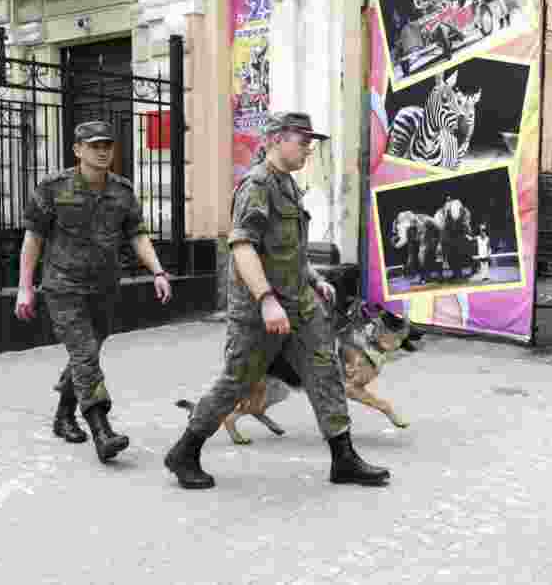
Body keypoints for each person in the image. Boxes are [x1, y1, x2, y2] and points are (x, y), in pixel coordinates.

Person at [164, 112, 390, 490]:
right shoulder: (257, 185)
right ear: (275, 140)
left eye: (309, 142)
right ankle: (185, 450)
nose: (308, 147)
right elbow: (242, 246)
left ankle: (344, 457)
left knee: (325, 370)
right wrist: (266, 299)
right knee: (239, 381)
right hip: (259, 310)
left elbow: (290, 251)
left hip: (299, 304)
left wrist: (315, 279)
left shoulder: (287, 184)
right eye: (302, 139)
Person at [15, 120, 173, 463]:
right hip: (63, 287)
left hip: (104, 288)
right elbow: (33, 239)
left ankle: (63, 415)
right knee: (85, 354)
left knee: (86, 355)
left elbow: (137, 234)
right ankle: (102, 430)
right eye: (94, 145)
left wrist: (158, 271)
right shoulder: (53, 188)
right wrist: (24, 288)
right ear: (77, 150)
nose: (102, 151)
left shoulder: (122, 190)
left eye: (107, 146)